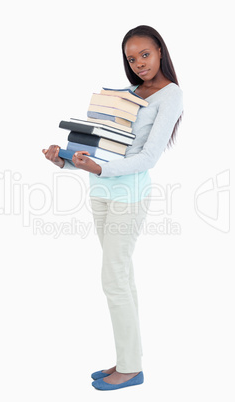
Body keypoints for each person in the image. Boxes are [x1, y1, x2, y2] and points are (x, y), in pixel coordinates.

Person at [42, 25, 183, 391]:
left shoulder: (170, 96)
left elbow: (148, 157)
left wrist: (100, 167)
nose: (138, 63)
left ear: (160, 52)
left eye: (145, 55)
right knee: (122, 278)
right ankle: (128, 359)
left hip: (129, 196)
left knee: (113, 279)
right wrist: (66, 161)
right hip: (100, 191)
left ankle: (131, 368)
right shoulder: (130, 93)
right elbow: (106, 147)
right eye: (131, 58)